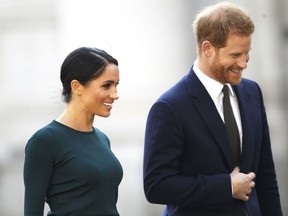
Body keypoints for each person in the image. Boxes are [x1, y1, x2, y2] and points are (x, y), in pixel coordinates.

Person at [143, 2, 283, 216]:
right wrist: (226, 186)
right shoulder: (170, 107)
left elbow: (265, 176)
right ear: (207, 48)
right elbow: (157, 186)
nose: (244, 63)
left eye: (247, 53)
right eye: (235, 55)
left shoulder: (252, 92)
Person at [24, 47, 123, 216]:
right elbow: (32, 211)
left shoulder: (102, 139)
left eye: (116, 85)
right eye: (107, 86)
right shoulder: (44, 142)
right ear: (77, 87)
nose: (115, 94)